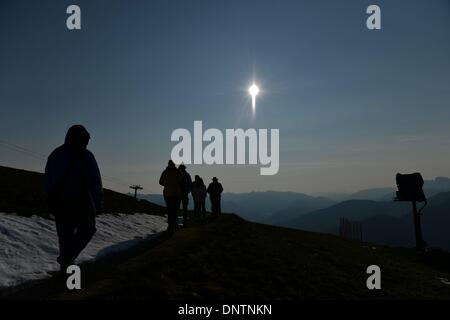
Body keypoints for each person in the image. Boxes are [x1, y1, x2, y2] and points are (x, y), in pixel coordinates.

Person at [44, 125, 103, 271]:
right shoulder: (86, 156)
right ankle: (67, 259)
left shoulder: (55, 154)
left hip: (59, 201)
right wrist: (98, 202)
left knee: (65, 235)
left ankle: (66, 263)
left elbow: (48, 178)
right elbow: (95, 181)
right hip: (81, 199)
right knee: (87, 229)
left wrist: (48, 199)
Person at [159, 160, 182, 237]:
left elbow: (160, 182)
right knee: (175, 210)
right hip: (176, 194)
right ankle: (174, 226)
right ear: (174, 165)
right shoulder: (178, 172)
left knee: (169, 210)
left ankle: (170, 227)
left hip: (167, 193)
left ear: (168, 164)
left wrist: (167, 185)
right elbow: (181, 181)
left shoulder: (165, 172)